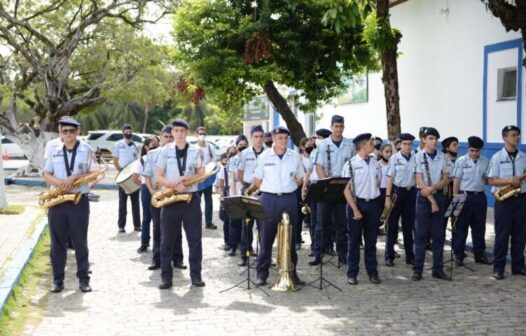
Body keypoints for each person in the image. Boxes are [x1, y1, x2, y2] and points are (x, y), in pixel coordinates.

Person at [43, 117, 98, 293]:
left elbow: (95, 173)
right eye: (65, 131)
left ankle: (84, 280)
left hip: (78, 200)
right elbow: (46, 173)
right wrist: (59, 183)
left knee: (80, 241)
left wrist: (74, 179)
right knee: (57, 242)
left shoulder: (86, 149)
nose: (68, 134)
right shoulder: (54, 149)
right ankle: (58, 280)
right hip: (58, 201)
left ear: (78, 132)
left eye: (72, 131)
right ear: (60, 132)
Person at [252, 126, 306, 286]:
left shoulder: (294, 156)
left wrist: (298, 181)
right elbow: (257, 180)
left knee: (291, 237)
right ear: (274, 139)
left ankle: (292, 274)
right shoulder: (264, 156)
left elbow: (301, 177)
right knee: (266, 238)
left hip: (289, 198)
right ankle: (262, 274)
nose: (283, 141)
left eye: (285, 138)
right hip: (269, 198)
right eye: (280, 138)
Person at [156, 119, 205, 289]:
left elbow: (202, 173)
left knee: (195, 241)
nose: (179, 134)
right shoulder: (165, 151)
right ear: (173, 133)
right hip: (171, 200)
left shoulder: (197, 150)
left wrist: (188, 181)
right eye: (176, 131)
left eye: (182, 131)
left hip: (191, 200)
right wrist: (173, 184)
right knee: (166, 242)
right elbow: (159, 176)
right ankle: (166, 278)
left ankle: (196, 276)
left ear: (187, 132)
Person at [310, 115, 354, 265]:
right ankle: (317, 253)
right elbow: (318, 166)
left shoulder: (349, 144)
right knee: (321, 223)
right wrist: (325, 183)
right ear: (331, 127)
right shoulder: (323, 145)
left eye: (341, 127)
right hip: (327, 186)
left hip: (343, 186)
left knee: (342, 224)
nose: (339, 129)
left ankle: (343, 255)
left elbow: (352, 165)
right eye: (336, 126)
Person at [143, 126, 186, 271]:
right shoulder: (152, 154)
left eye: (170, 137)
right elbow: (147, 175)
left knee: (176, 229)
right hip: (158, 196)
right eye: (165, 136)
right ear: (160, 137)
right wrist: (152, 192)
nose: (168, 139)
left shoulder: (179, 152)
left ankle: (178, 259)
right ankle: (157, 259)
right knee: (157, 229)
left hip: (174, 195)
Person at [343, 133, 382, 285]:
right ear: (362, 146)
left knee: (371, 242)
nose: (373, 145)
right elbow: (346, 190)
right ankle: (352, 273)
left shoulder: (375, 163)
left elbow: (378, 182)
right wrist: (355, 210)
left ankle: (372, 272)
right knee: (354, 241)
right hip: (357, 204)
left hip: (373, 204)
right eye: (370, 143)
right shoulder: (351, 164)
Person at [487, 125, 526, 280]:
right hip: (504, 201)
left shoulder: (523, 157)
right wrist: (510, 181)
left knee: (520, 235)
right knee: (502, 236)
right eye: (513, 135)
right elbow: (490, 180)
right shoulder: (496, 157)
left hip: (521, 199)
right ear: (504, 138)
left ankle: (518, 267)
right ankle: (498, 268)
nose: (516, 137)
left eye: (517, 135)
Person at [412, 127, 451, 281]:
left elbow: (445, 179)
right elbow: (418, 179)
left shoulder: (443, 157)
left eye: (436, 139)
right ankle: (418, 270)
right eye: (430, 138)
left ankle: (438, 269)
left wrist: (433, 188)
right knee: (421, 236)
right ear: (424, 140)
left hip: (438, 195)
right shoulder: (417, 157)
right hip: (423, 199)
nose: (434, 141)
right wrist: (431, 199)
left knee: (439, 235)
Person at [451, 136, 491, 266]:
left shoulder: (485, 162)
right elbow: (456, 181)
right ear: (468, 148)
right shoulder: (461, 161)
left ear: (480, 150)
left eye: (477, 151)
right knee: (461, 228)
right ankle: (458, 255)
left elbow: (487, 180)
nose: (474, 153)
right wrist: (455, 199)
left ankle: (479, 255)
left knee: (479, 227)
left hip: (479, 197)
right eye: (472, 150)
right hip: (464, 196)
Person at [384, 133, 417, 267]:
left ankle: (410, 256)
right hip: (398, 193)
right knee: (392, 226)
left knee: (408, 227)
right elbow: (390, 178)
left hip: (412, 193)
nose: (407, 146)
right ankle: (389, 256)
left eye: (409, 144)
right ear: (400, 145)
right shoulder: (394, 158)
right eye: (404, 144)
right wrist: (387, 197)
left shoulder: (416, 158)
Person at [237, 125, 266, 263]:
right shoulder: (244, 154)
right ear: (251, 138)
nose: (259, 139)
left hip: (265, 190)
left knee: (263, 224)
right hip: (249, 188)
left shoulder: (269, 153)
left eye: (261, 136)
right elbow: (240, 173)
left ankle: (264, 255)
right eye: (256, 137)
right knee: (247, 223)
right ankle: (245, 254)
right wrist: (248, 187)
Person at [302, 128, 331, 257]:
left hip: (327, 186)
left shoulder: (329, 151)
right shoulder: (314, 152)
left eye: (317, 138)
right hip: (314, 186)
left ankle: (328, 246)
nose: (314, 140)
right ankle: (315, 247)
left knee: (327, 220)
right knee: (314, 220)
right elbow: (309, 172)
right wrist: (304, 187)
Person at [112, 124, 141, 233]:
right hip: (123, 176)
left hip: (133, 176)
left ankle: (137, 225)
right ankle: (121, 226)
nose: (128, 133)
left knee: (135, 202)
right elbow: (115, 160)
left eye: (130, 132)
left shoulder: (136, 145)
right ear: (122, 132)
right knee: (122, 203)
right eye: (126, 131)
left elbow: (138, 160)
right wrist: (121, 173)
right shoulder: (118, 144)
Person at [135, 137, 159, 253]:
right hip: (146, 189)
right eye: (152, 145)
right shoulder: (142, 160)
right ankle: (144, 242)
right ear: (146, 147)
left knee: (158, 219)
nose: (154, 147)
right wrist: (144, 185)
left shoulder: (161, 157)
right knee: (146, 217)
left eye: (156, 144)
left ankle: (158, 243)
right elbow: (135, 177)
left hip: (159, 188)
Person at [195, 126, 218, 230]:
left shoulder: (210, 147)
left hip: (208, 177)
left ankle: (208, 222)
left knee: (208, 200)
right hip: (198, 178)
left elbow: (214, 160)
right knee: (196, 200)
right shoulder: (194, 148)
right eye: (200, 134)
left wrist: (211, 168)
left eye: (203, 134)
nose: (202, 136)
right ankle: (196, 221)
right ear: (196, 135)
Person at [378, 143, 393, 234]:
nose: (389, 154)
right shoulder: (377, 164)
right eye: (386, 152)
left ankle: (388, 229)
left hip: (391, 190)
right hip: (380, 190)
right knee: (380, 211)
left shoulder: (393, 164)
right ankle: (379, 228)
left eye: (391, 152)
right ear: (381, 152)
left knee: (389, 211)